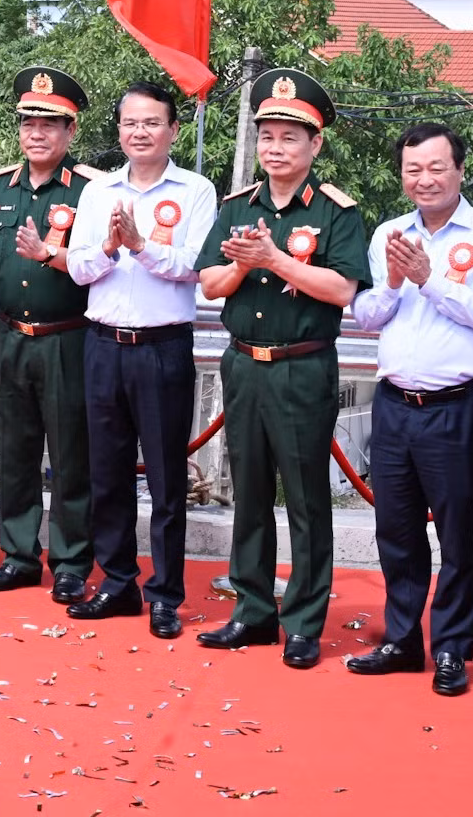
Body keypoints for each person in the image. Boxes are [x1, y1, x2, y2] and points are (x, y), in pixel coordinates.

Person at [194, 68, 368, 670]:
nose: (275, 148)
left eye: (289, 138)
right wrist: (246, 265)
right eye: (266, 137)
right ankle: (252, 611)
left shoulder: (337, 212)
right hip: (244, 363)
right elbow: (211, 283)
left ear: (315, 144)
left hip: (303, 366)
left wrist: (273, 258)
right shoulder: (236, 207)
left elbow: (342, 289)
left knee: (305, 499)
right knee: (248, 494)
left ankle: (303, 622)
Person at [347, 123, 473, 696]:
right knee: (395, 529)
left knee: (457, 533)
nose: (424, 179)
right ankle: (401, 640)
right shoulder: (389, 233)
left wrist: (431, 280)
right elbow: (367, 317)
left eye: (436, 168)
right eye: (413, 169)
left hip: (457, 405)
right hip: (395, 404)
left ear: (460, 171)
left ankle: (451, 649)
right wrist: (395, 282)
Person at [65, 80, 216, 638]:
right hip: (103, 345)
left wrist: (139, 245)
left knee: (167, 479)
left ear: (173, 130)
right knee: (106, 474)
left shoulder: (196, 190)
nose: (140, 132)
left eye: (152, 123)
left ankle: (166, 595)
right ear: (119, 130)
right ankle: (118, 583)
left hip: (162, 348)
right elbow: (77, 268)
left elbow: (196, 266)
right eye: (130, 123)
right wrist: (109, 248)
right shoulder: (97, 191)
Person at [0, 66, 100, 601]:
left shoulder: (92, 192)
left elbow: (98, 264)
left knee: (71, 454)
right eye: (28, 124)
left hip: (68, 338)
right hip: (9, 335)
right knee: (13, 451)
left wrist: (49, 253)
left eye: (49, 124)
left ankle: (71, 562)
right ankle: (18, 556)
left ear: (70, 130)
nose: (36, 134)